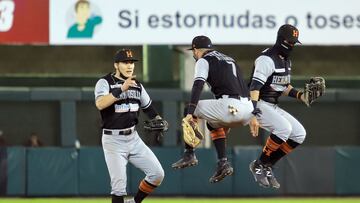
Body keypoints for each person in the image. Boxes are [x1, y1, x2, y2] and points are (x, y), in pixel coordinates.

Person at [172, 35, 259, 183]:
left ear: (196, 49)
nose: (194, 54)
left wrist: (190, 112)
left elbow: (198, 85)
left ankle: (189, 153)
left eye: (193, 51)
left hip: (230, 106)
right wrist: (254, 114)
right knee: (212, 123)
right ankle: (223, 163)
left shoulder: (203, 60)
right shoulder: (229, 59)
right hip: (248, 109)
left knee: (188, 108)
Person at [94, 49, 166, 203]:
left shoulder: (137, 85)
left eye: (132, 62)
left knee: (157, 174)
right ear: (116, 65)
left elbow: (149, 109)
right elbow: (100, 104)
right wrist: (121, 89)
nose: (129, 66)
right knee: (119, 188)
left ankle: (134, 202)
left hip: (133, 139)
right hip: (113, 140)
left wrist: (159, 120)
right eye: (125, 62)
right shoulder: (105, 82)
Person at [248, 24, 306, 189]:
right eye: (290, 41)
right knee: (284, 128)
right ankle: (259, 164)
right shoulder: (267, 59)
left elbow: (284, 86)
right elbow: (254, 87)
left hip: (271, 105)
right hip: (257, 102)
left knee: (299, 134)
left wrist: (301, 96)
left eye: (295, 42)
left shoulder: (286, 60)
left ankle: (267, 164)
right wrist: (253, 114)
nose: (292, 45)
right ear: (281, 39)